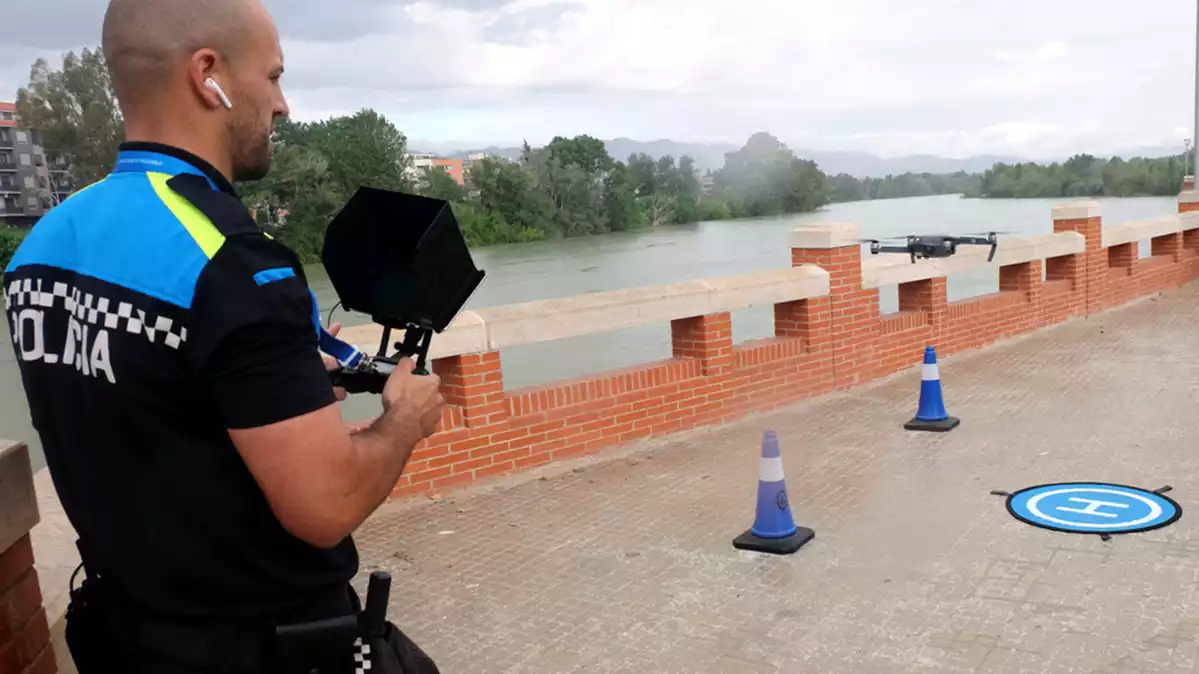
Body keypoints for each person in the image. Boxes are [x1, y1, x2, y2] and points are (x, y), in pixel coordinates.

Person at [2, 0, 445, 671]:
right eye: (272, 77)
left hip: (124, 636)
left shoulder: (43, 244)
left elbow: (148, 408)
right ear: (208, 74)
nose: (282, 105)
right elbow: (325, 506)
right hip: (262, 645)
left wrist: (268, 391)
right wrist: (404, 421)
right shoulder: (233, 261)